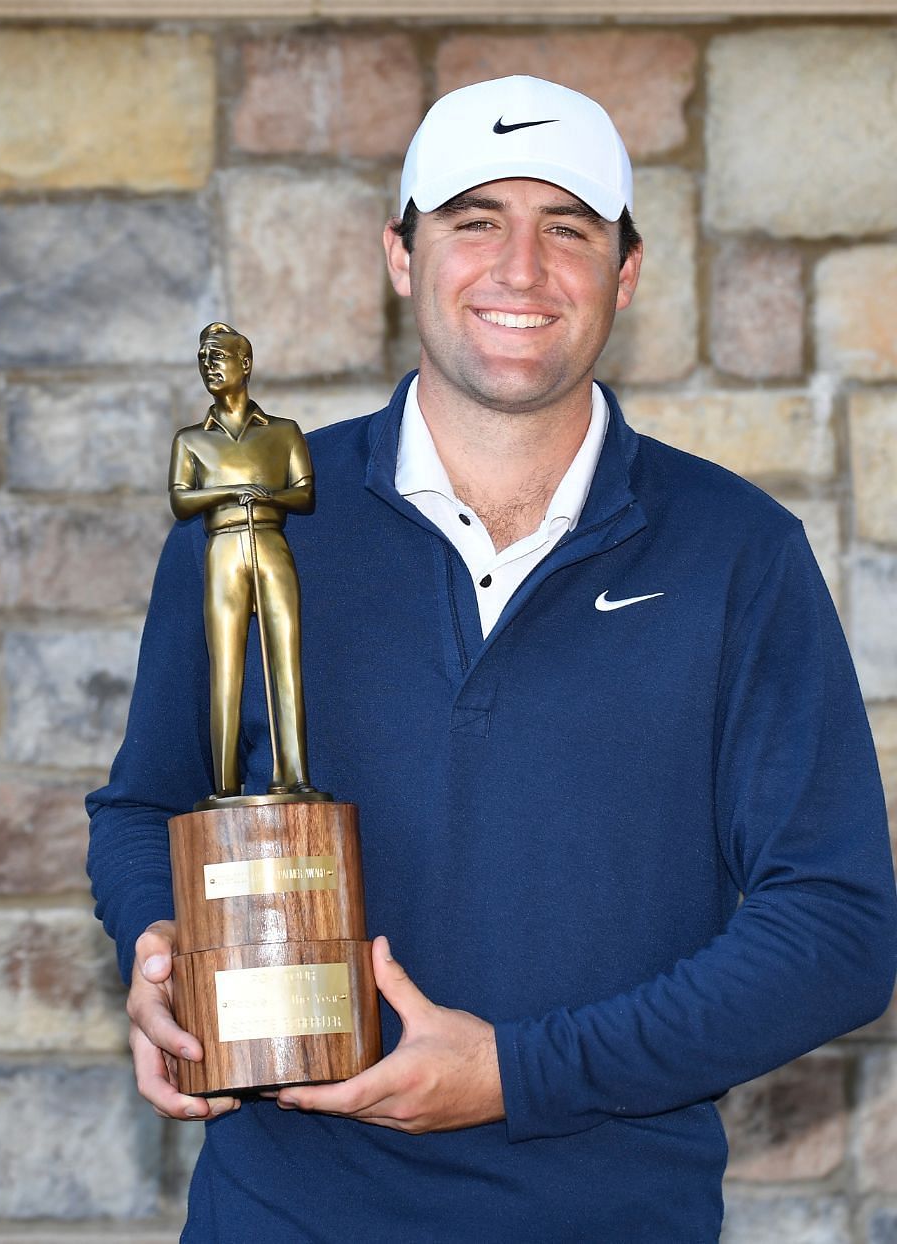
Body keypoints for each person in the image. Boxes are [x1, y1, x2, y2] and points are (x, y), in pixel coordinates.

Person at [87, 76, 897, 1239]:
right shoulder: (258, 517)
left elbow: (835, 931)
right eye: (474, 221)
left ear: (624, 274)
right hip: (280, 1212)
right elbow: (146, 805)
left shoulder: (738, 553)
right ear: (401, 255)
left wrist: (521, 1072)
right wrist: (162, 946)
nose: (521, 268)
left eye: (566, 228)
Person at [169, 321, 317, 799]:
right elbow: (181, 501)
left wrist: (267, 495)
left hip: (271, 542)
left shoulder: (284, 433)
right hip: (225, 547)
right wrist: (234, 490)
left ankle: (292, 775)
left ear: (245, 364)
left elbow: (305, 493)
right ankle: (225, 785)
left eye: (219, 358)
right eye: (203, 360)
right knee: (226, 664)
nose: (209, 367)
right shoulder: (191, 440)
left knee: (285, 660)